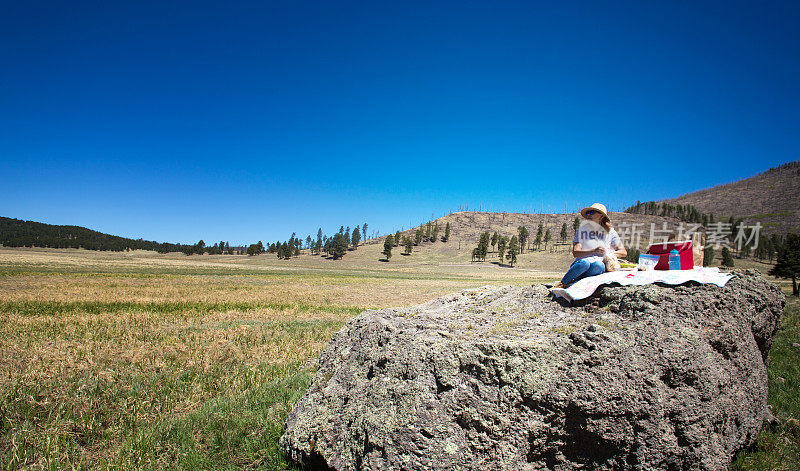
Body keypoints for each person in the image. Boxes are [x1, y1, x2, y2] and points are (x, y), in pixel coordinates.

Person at [555, 203, 627, 288]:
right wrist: (593, 251)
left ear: (601, 215)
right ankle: (562, 283)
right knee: (584, 263)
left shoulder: (611, 232)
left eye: (592, 212)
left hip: (597, 266)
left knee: (598, 265)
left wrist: (609, 254)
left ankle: (578, 281)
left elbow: (623, 252)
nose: (588, 215)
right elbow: (576, 252)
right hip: (581, 265)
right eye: (588, 213)